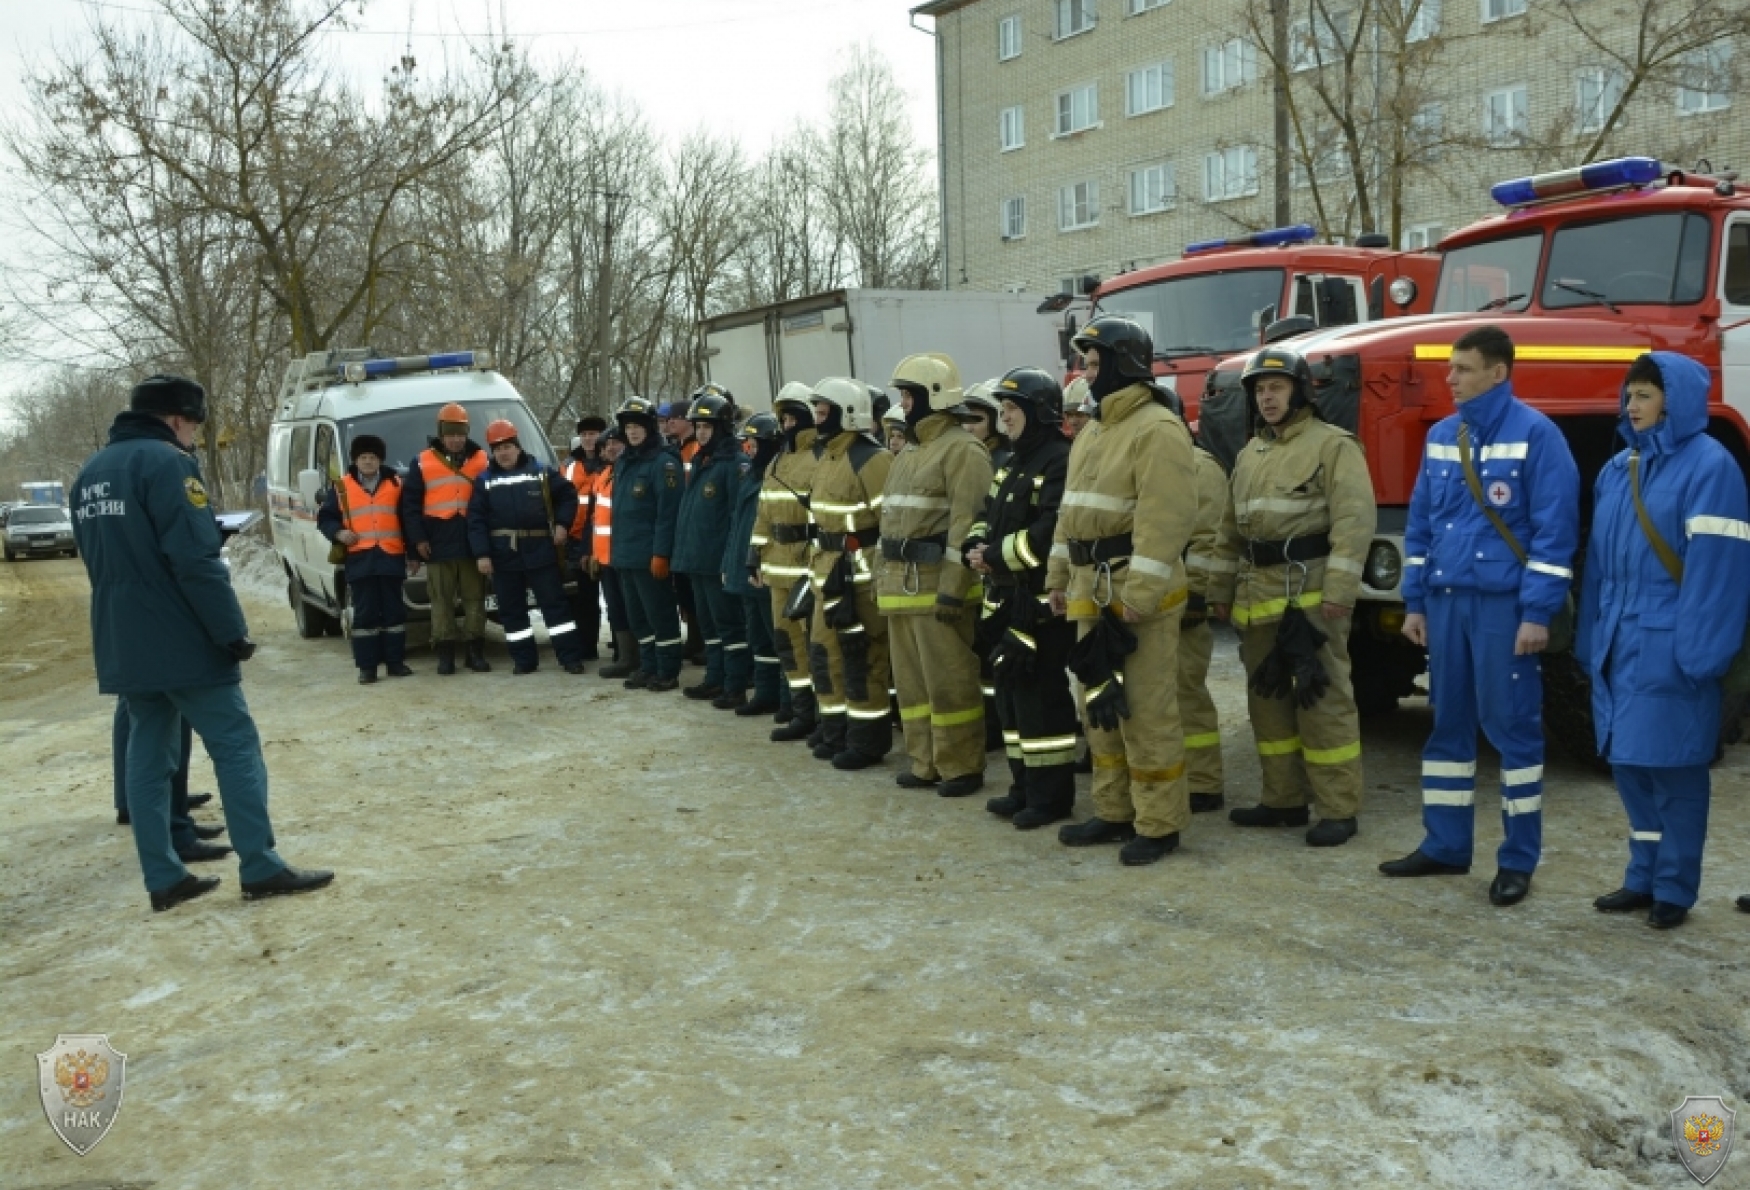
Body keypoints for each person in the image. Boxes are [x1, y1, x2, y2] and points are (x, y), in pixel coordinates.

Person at [72, 374, 332, 910]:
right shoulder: (170, 464)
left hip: (122, 635)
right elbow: (194, 561)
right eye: (193, 425)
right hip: (180, 634)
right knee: (235, 744)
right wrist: (230, 631)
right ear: (176, 419)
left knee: (147, 753)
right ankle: (260, 865)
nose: (194, 436)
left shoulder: (90, 473)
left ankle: (163, 876)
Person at [1382, 325, 1580, 906]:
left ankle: (1518, 860)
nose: (1450, 378)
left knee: (1513, 730)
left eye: (1463, 368)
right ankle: (1444, 846)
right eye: (1451, 368)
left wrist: (1537, 613)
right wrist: (1414, 600)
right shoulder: (1445, 436)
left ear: (1498, 372)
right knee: (1447, 725)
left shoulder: (1538, 436)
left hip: (1503, 609)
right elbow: (1420, 525)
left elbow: (1555, 533)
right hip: (1445, 607)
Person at [1577, 353, 1750, 929]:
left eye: (1645, 395)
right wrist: (1590, 637)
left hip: (1674, 643)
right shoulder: (1616, 470)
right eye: (1630, 395)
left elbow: (1717, 569)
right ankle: (1641, 876)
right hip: (1619, 642)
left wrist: (1703, 652)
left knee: (1675, 769)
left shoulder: (1711, 466)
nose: (1632, 405)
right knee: (1630, 765)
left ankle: (1674, 887)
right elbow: (1598, 568)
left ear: (1674, 400)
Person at [1045, 316, 1198, 867]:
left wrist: (1143, 593)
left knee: (1146, 712)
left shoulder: (1157, 428)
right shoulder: (1093, 431)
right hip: (1092, 591)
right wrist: (1058, 579)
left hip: (1136, 597)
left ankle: (1158, 824)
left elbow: (1168, 518)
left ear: (1121, 363)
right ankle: (1113, 812)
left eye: (1091, 363)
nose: (1084, 374)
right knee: (1100, 708)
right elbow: (1071, 517)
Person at [1209, 348, 1375, 845]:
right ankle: (1282, 801)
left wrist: (1340, 592)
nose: (1267, 397)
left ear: (1300, 391)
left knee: (1322, 702)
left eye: (1276, 388)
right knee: (1269, 703)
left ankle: (1338, 809)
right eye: (1260, 390)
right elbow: (1227, 531)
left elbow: (1354, 522)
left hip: (1311, 599)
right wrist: (1219, 590)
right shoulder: (1249, 455)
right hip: (1258, 600)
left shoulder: (1334, 446)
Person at [962, 367, 1076, 829]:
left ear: (1037, 411)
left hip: (1038, 604)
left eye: (1011, 410)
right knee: (1009, 699)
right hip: (1003, 599)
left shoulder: (1058, 460)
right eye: (1003, 410)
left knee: (1041, 700)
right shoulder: (1009, 463)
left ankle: (1050, 799)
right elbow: (986, 515)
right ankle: (1022, 787)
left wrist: (996, 555)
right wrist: (975, 547)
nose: (1004, 418)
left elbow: (1050, 532)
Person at [880, 353, 994, 796]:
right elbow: (890, 521)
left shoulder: (964, 450)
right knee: (911, 686)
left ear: (934, 397)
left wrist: (953, 590)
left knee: (949, 682)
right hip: (901, 590)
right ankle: (925, 762)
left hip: (935, 591)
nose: (904, 403)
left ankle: (961, 766)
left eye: (909, 395)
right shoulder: (910, 451)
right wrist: (880, 577)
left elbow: (967, 526)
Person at [805, 378, 895, 767]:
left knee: (864, 659)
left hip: (861, 579)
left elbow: (887, 522)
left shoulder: (872, 460)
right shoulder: (827, 457)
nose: (818, 419)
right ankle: (835, 731)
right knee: (825, 655)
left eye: (825, 412)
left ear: (848, 414)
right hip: (826, 574)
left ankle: (867, 741)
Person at [465, 419, 585, 676]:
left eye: (507, 446)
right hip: (502, 555)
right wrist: (482, 554)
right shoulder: (484, 480)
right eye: (497, 449)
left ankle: (570, 658)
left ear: (517, 447)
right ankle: (524, 660)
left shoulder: (540, 472)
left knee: (555, 606)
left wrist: (563, 525)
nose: (503, 453)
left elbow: (567, 495)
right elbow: (475, 520)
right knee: (511, 610)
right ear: (491, 452)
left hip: (540, 550)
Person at [400, 403, 491, 675]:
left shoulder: (482, 459)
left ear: (467, 433)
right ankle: (445, 653)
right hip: (437, 543)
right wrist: (417, 541)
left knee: (475, 598)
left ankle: (475, 651)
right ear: (441, 434)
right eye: (450, 434)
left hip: (472, 541)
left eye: (460, 433)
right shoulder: (423, 461)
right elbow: (411, 506)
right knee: (441, 601)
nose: (456, 439)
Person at [673, 390, 750, 706]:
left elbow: (737, 516)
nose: (702, 432)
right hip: (698, 561)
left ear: (722, 427)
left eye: (707, 426)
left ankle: (735, 685)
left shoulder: (734, 463)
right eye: (698, 426)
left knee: (729, 626)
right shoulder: (700, 459)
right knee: (708, 627)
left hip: (718, 562)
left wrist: (730, 561)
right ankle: (714, 680)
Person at [318, 434, 414, 684]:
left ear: (380, 459)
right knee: (365, 616)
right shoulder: (341, 487)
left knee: (394, 613)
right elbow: (325, 518)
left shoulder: (395, 484)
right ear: (355, 460)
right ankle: (367, 667)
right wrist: (338, 532)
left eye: (373, 457)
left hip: (390, 557)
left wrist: (412, 554)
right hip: (360, 560)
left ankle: (395, 663)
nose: (368, 462)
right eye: (364, 457)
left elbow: (408, 520)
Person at [758, 383, 823, 742]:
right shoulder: (777, 460)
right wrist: (755, 555)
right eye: (783, 417)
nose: (786, 424)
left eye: (793, 416)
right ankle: (801, 713)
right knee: (787, 642)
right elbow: (762, 513)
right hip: (778, 567)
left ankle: (820, 714)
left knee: (815, 644)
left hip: (808, 566)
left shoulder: (820, 458)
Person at [611, 395, 685, 692]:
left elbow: (668, 514)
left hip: (649, 556)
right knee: (638, 617)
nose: (633, 432)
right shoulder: (624, 463)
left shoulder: (664, 464)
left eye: (639, 426)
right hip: (626, 555)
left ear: (650, 428)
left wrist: (660, 553)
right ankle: (649, 665)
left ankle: (667, 670)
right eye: (628, 427)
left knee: (660, 614)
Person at [1180, 429, 1231, 814]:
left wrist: (1196, 596)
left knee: (1186, 690)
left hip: (1185, 605)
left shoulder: (1201, 468)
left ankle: (1203, 783)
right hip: (1154, 599)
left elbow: (1209, 537)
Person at [728, 411, 787, 718]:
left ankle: (789, 700)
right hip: (747, 568)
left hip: (769, 570)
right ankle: (766, 693)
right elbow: (738, 525)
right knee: (759, 639)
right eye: (746, 442)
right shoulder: (750, 475)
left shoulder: (777, 477)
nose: (748, 448)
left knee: (780, 638)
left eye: (753, 443)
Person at [561, 415, 610, 662]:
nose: (590, 439)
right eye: (585, 434)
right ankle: (586, 645)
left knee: (614, 596)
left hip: (607, 540)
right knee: (584, 598)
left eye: (594, 434)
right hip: (578, 540)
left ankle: (622, 646)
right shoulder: (569, 465)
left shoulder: (611, 463)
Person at [592, 427, 639, 678]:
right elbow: (597, 518)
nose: (611, 448)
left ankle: (635, 657)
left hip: (624, 554)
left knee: (632, 607)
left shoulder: (627, 474)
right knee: (616, 607)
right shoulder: (605, 475)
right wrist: (593, 553)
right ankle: (625, 656)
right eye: (606, 444)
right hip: (606, 556)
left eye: (616, 442)